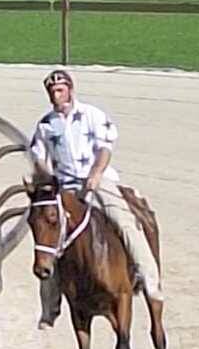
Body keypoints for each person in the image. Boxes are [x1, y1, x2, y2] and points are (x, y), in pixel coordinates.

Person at [28, 69, 163, 329]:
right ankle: (50, 307)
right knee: (48, 240)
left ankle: (148, 277)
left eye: (60, 90)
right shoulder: (45, 125)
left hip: (98, 181)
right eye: (52, 92)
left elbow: (105, 148)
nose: (56, 95)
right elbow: (39, 158)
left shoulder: (91, 115)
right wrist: (46, 178)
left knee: (124, 221)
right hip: (66, 188)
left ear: (70, 90)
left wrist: (96, 174)